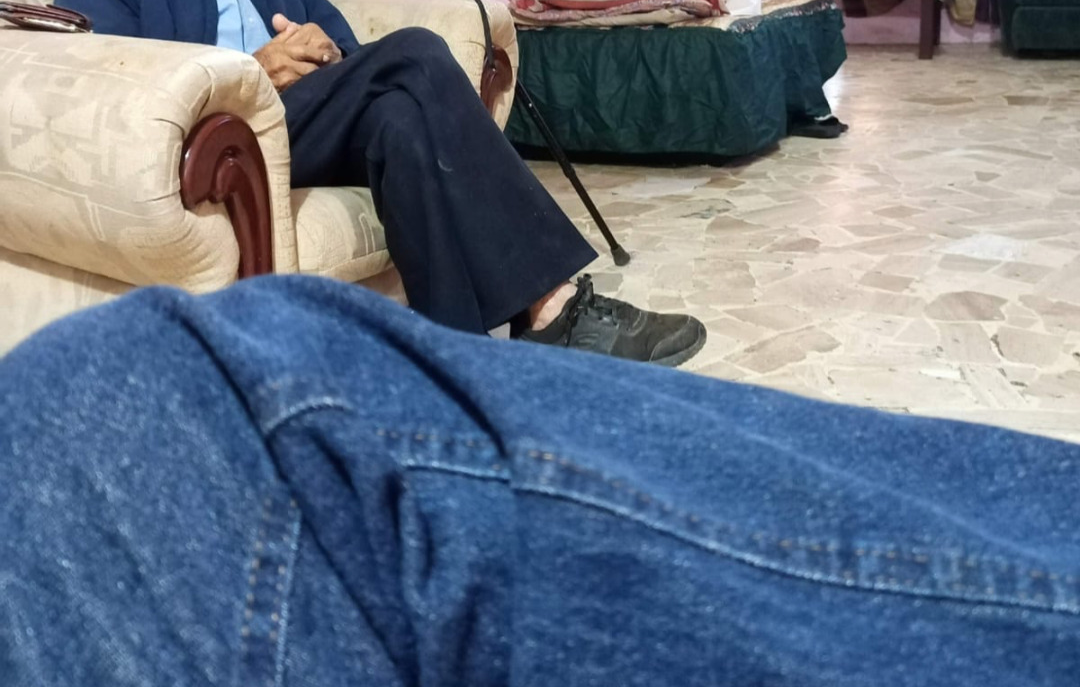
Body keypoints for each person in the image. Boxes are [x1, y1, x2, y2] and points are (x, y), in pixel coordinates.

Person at [1, 276, 1078, 686]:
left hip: (306, 100)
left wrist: (306, 45)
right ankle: (547, 309)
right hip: (247, 104)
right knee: (140, 396)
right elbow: (143, 57)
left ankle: (539, 303)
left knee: (410, 72)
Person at [53, 0, 705, 366]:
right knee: (417, 52)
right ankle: (552, 306)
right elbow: (118, 93)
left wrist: (324, 55)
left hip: (302, 127)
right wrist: (255, 71)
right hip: (221, 146)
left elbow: (345, 49)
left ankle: (458, 361)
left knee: (399, 118)